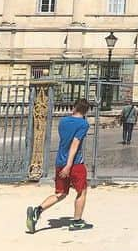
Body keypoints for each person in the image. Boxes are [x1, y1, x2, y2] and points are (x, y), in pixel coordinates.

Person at [26, 98, 91, 233]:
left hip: (59, 161)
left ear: (74, 107)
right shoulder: (83, 124)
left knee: (60, 193)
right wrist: (69, 165)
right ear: (86, 111)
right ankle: (77, 221)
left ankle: (37, 211)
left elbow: (65, 141)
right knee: (82, 191)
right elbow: (74, 144)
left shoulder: (63, 121)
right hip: (74, 163)